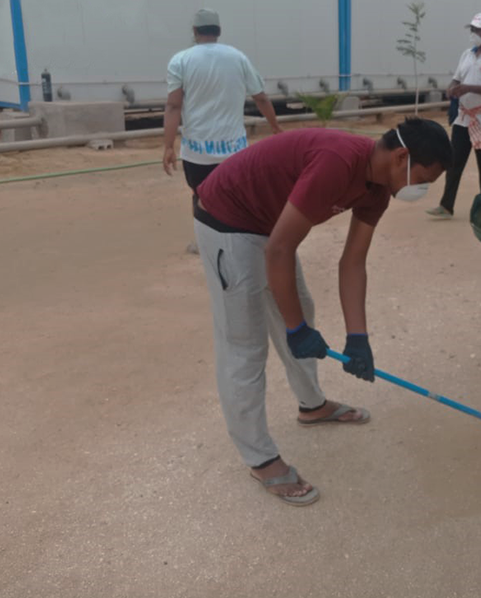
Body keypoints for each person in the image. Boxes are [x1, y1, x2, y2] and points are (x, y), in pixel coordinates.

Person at [193, 119, 453, 505]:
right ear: (402, 157)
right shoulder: (337, 162)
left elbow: (353, 262)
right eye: (425, 178)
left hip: (268, 226)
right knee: (245, 345)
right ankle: (259, 458)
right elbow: (279, 251)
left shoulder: (377, 190)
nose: (423, 189)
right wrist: (294, 329)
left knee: (301, 309)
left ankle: (312, 406)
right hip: (228, 220)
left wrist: (358, 338)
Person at [162, 8, 283, 200]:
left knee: (203, 200)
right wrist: (275, 127)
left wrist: (169, 146)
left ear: (195, 31)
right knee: (235, 202)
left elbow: (173, 106)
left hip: (196, 155)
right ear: (219, 31)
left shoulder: (180, 61)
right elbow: (261, 98)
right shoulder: (238, 57)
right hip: (234, 154)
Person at [426, 13, 481, 219]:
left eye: (478, 30)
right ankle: (446, 206)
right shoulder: (467, 55)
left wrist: (467, 88)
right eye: (472, 30)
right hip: (463, 119)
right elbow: (456, 79)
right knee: (454, 162)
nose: (474, 34)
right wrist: (452, 88)